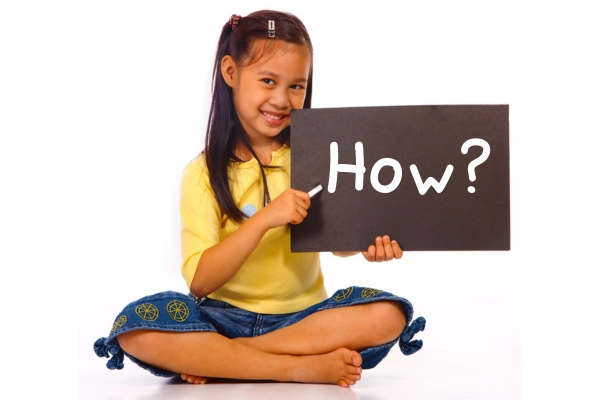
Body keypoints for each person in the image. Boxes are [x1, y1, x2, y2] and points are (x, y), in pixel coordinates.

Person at [94, 10, 425, 388]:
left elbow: (336, 243)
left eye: (297, 86)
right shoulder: (203, 174)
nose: (282, 100)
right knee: (135, 328)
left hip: (304, 319)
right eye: (268, 81)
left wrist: (367, 244)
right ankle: (294, 367)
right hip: (222, 318)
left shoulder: (314, 156)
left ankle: (232, 359)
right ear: (231, 73)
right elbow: (200, 282)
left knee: (388, 315)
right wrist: (265, 218)